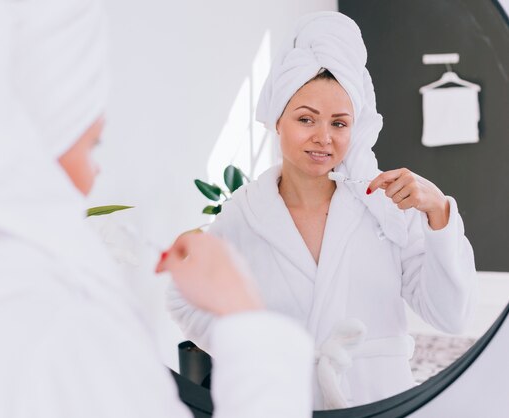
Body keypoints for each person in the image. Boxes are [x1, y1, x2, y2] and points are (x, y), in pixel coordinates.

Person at [0, 1, 314, 417]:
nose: (94, 173)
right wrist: (245, 315)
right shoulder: (60, 339)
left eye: (340, 121)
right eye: (92, 145)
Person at [167, 11, 478, 410]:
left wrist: (437, 212)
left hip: (379, 399)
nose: (323, 138)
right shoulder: (244, 214)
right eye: (305, 119)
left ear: (356, 127)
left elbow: (452, 316)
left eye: (339, 123)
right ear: (278, 120)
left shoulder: (385, 207)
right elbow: (187, 304)